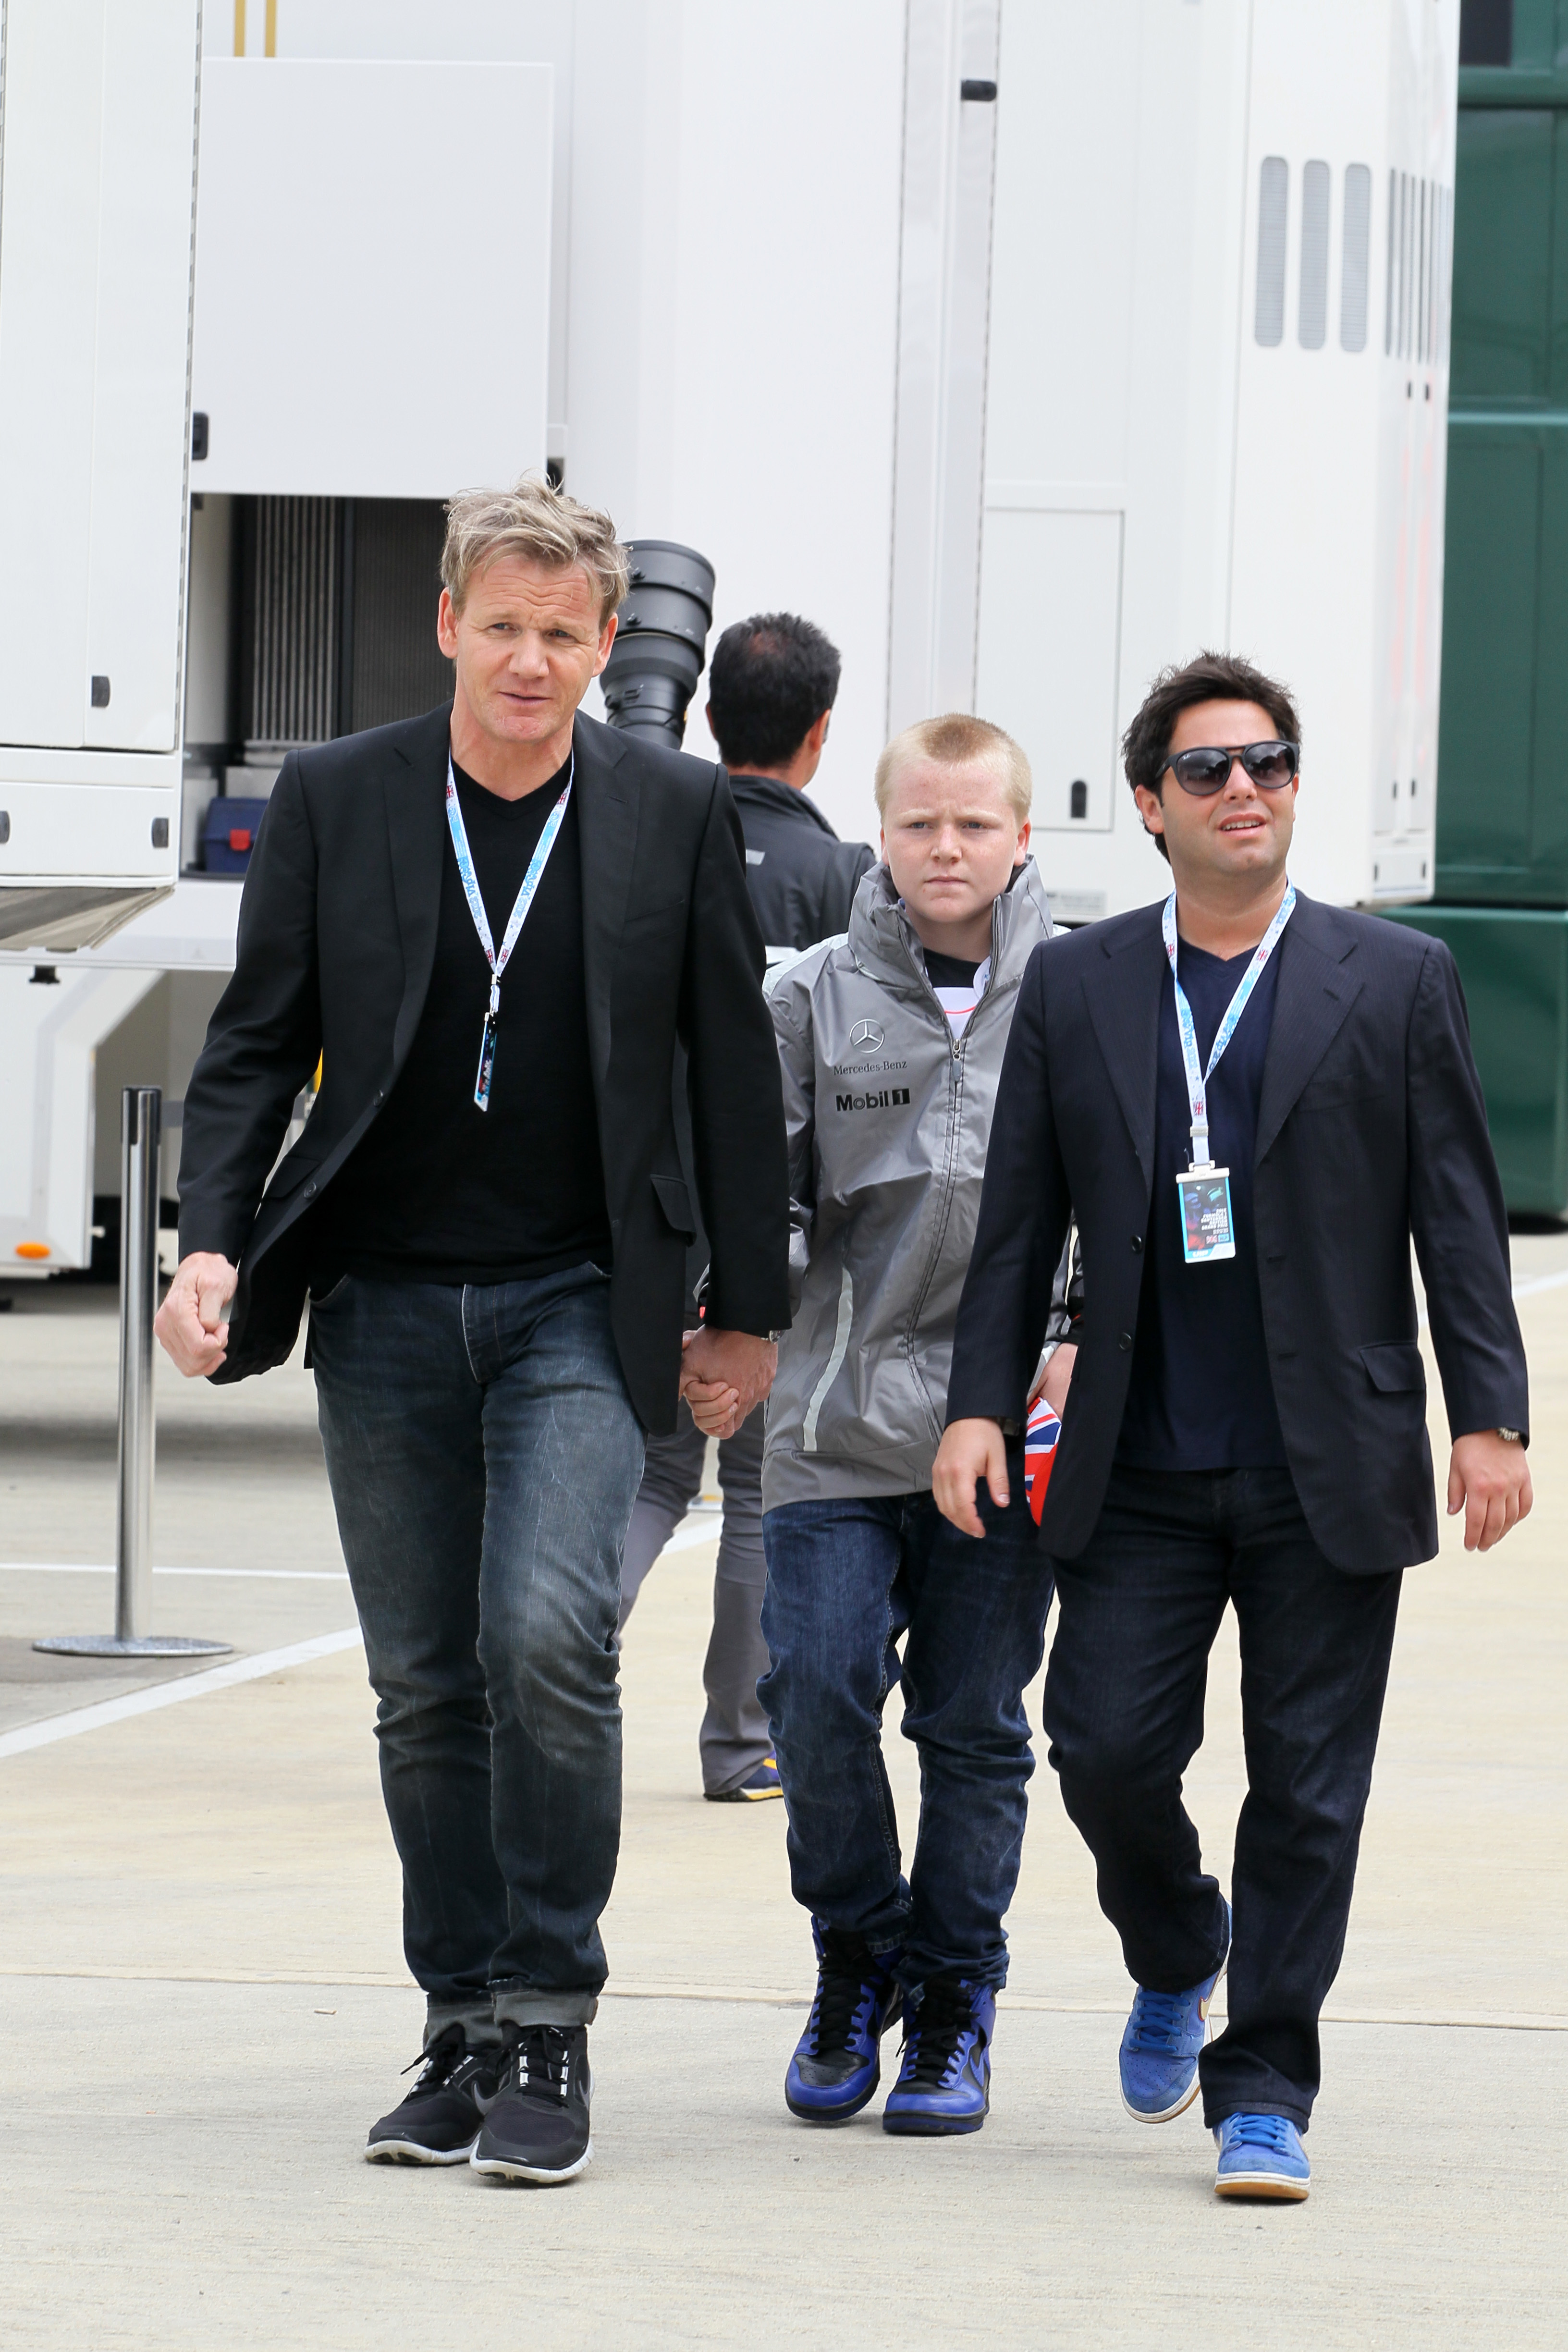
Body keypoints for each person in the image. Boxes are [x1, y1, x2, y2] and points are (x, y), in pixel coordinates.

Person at [155, 476, 790, 2186]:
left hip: (581, 1298)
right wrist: (211, 1238)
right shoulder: (344, 798)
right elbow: (253, 1040)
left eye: (562, 634)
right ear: (446, 623)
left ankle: (549, 2012)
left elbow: (732, 1070)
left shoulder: (666, 808)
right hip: (378, 1298)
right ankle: (456, 2020)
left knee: (544, 1637)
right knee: (425, 1681)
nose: (530, 660)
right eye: (500, 626)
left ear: (603, 648)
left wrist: (752, 1310)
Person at [933, 650, 1531, 2202]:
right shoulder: (1077, 982)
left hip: (1325, 1452)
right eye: (1206, 768)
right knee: (1103, 1749)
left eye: (1265, 761)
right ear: (1148, 804)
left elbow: (1456, 1217)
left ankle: (1262, 2079)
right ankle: (1175, 1940)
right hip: (1132, 1458)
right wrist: (979, 1405)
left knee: (1309, 1786)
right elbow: (1018, 1218)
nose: (1243, 787)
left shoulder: (1392, 979)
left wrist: (1492, 1419)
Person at [725, 712, 1062, 2139]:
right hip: (834, 1423)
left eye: (974, 824)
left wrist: (1079, 1340)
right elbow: (771, 1195)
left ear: (1022, 837)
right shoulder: (807, 995)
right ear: (878, 831)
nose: (946, 849)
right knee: (813, 1692)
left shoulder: (1091, 988)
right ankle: (855, 1956)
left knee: (977, 1727)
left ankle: (953, 2000)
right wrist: (733, 1315)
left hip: (1005, 1427)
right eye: (921, 823)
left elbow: (1124, 1193)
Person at [619, 611, 874, 1803]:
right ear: (820, 734)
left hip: (656, 1212)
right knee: (762, 1493)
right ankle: (741, 1744)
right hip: (781, 1228)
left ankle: (545, 1684)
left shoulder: (650, 831)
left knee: (651, 1476)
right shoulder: (847, 882)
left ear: (711, 719)